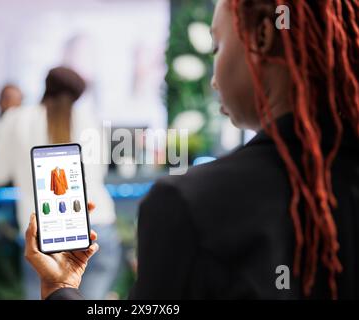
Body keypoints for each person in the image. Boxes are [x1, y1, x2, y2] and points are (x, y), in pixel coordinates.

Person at [25, 0, 359, 299]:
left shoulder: (189, 204)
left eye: (217, 45)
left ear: (261, 37)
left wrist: (59, 289)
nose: (214, 79)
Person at [0, 67, 119, 299]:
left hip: (45, 235)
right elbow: (100, 171)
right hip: (97, 228)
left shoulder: (17, 118)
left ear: (45, 85)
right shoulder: (89, 119)